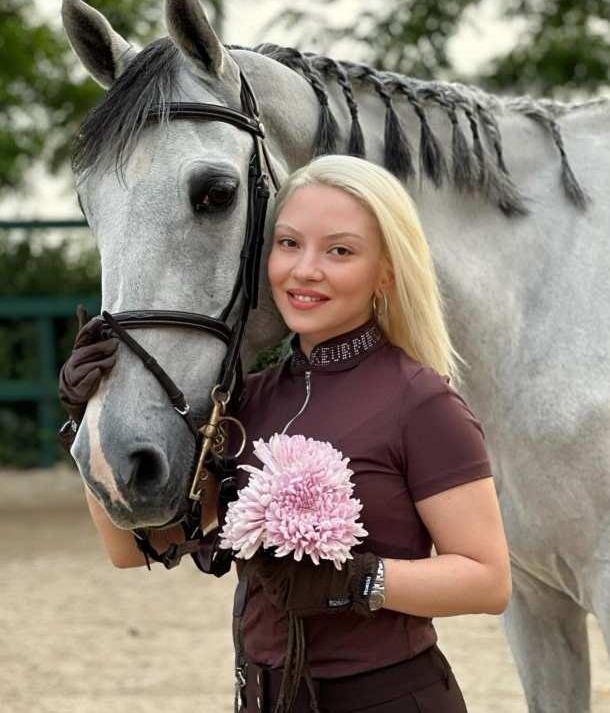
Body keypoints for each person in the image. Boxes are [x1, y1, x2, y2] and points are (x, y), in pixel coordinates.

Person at [59, 155, 512, 712]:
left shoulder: (423, 403)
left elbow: (488, 581)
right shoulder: (246, 399)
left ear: (387, 272)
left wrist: (359, 581)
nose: (304, 270)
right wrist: (92, 414)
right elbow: (136, 549)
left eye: (340, 251)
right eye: (289, 243)